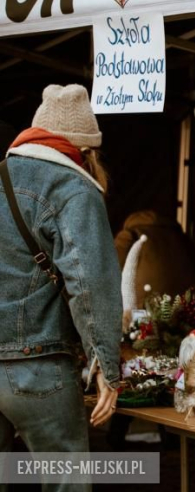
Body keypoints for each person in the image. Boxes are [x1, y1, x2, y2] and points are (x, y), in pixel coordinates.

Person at [0, 85, 122, 465]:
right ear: (85, 151)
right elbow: (91, 286)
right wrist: (106, 367)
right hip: (38, 366)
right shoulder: (74, 189)